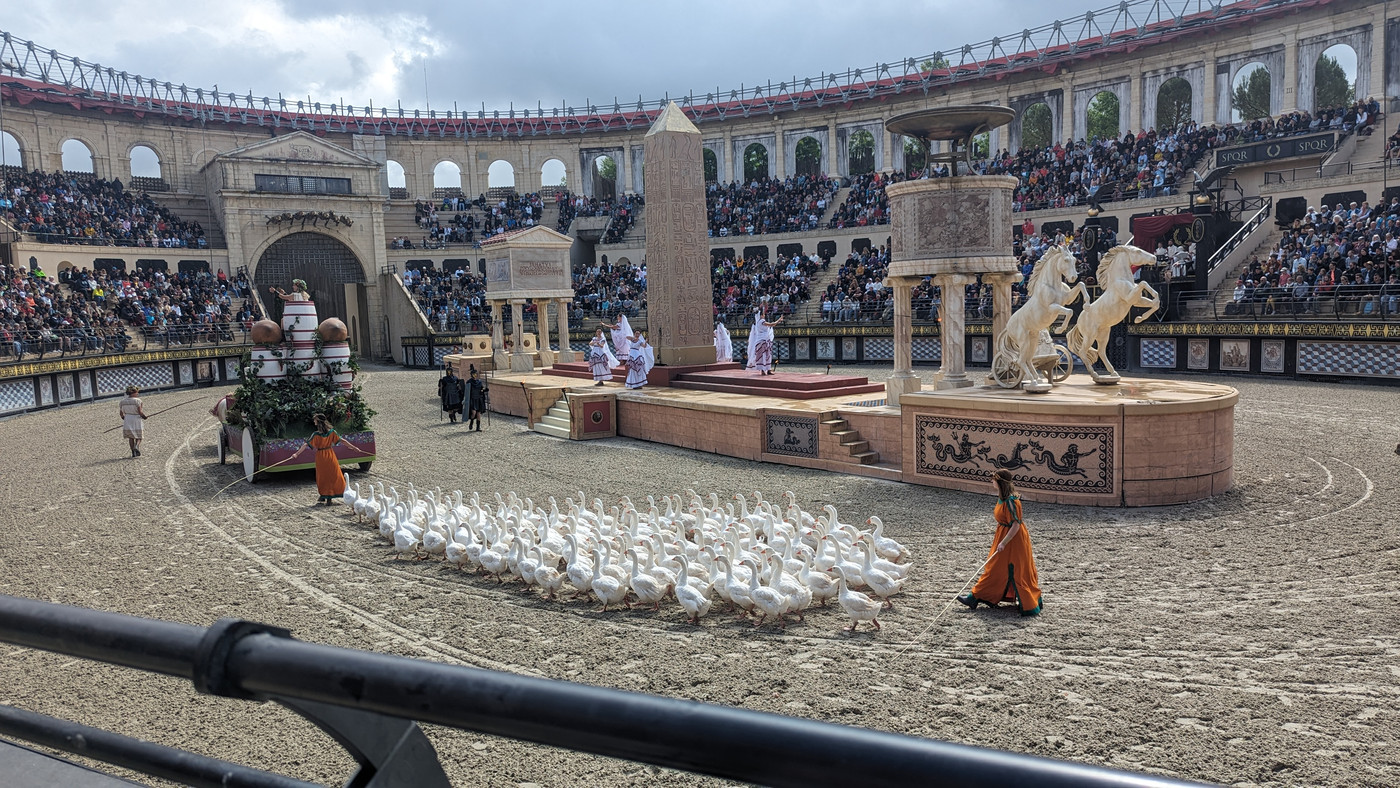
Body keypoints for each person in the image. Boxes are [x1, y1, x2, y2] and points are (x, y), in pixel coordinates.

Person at [957, 470, 1043, 616]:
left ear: (1000, 482)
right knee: (995, 567)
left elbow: (1016, 524)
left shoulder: (1011, 502)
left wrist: (1003, 542)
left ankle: (1027, 603)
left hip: (1013, 540)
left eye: (994, 480)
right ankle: (975, 597)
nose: (992, 482)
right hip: (1003, 535)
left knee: (1015, 569)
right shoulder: (1002, 498)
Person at [308, 413, 346, 505]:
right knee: (333, 474)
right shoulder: (332, 432)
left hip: (321, 456)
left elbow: (307, 444)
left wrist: (296, 454)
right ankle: (328, 496)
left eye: (315, 420)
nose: (314, 422)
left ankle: (325, 495)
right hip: (330, 454)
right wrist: (354, 448)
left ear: (318, 422)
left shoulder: (316, 435)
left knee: (323, 476)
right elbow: (342, 440)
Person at [746, 310, 783, 375]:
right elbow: (771, 324)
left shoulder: (758, 322)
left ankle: (767, 369)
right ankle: (763, 370)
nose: (764, 315)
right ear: (760, 316)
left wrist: (777, 321)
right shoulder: (761, 321)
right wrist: (778, 320)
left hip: (765, 339)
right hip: (762, 340)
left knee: (767, 355)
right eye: (763, 315)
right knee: (764, 355)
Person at [118, 385, 148, 458]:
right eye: (137, 392)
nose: (137, 394)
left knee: (131, 437)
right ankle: (137, 446)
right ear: (134, 393)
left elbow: (121, 413)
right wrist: (144, 417)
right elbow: (140, 412)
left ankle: (133, 452)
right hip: (136, 418)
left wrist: (124, 418)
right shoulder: (138, 401)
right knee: (139, 435)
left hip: (127, 418)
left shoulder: (122, 402)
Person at [466, 366, 488, 431]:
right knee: (473, 412)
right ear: (471, 375)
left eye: (475, 374)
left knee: (478, 413)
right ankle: (471, 422)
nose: (475, 375)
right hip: (472, 398)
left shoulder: (479, 382)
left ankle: (478, 427)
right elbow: (467, 391)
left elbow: (481, 389)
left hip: (479, 399)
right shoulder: (469, 382)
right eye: (473, 374)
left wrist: (485, 390)